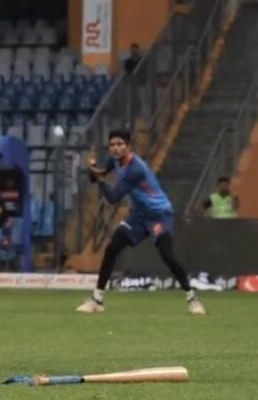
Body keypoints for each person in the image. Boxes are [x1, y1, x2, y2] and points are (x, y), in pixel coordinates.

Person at [77, 129, 206, 315]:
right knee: (111, 249)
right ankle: (97, 300)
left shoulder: (135, 169)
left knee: (167, 256)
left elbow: (113, 197)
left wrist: (99, 178)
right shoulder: (113, 159)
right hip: (139, 215)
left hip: (159, 214)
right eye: (112, 144)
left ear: (128, 146)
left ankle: (193, 299)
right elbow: (98, 175)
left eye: (120, 144)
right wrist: (92, 167)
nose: (115, 148)